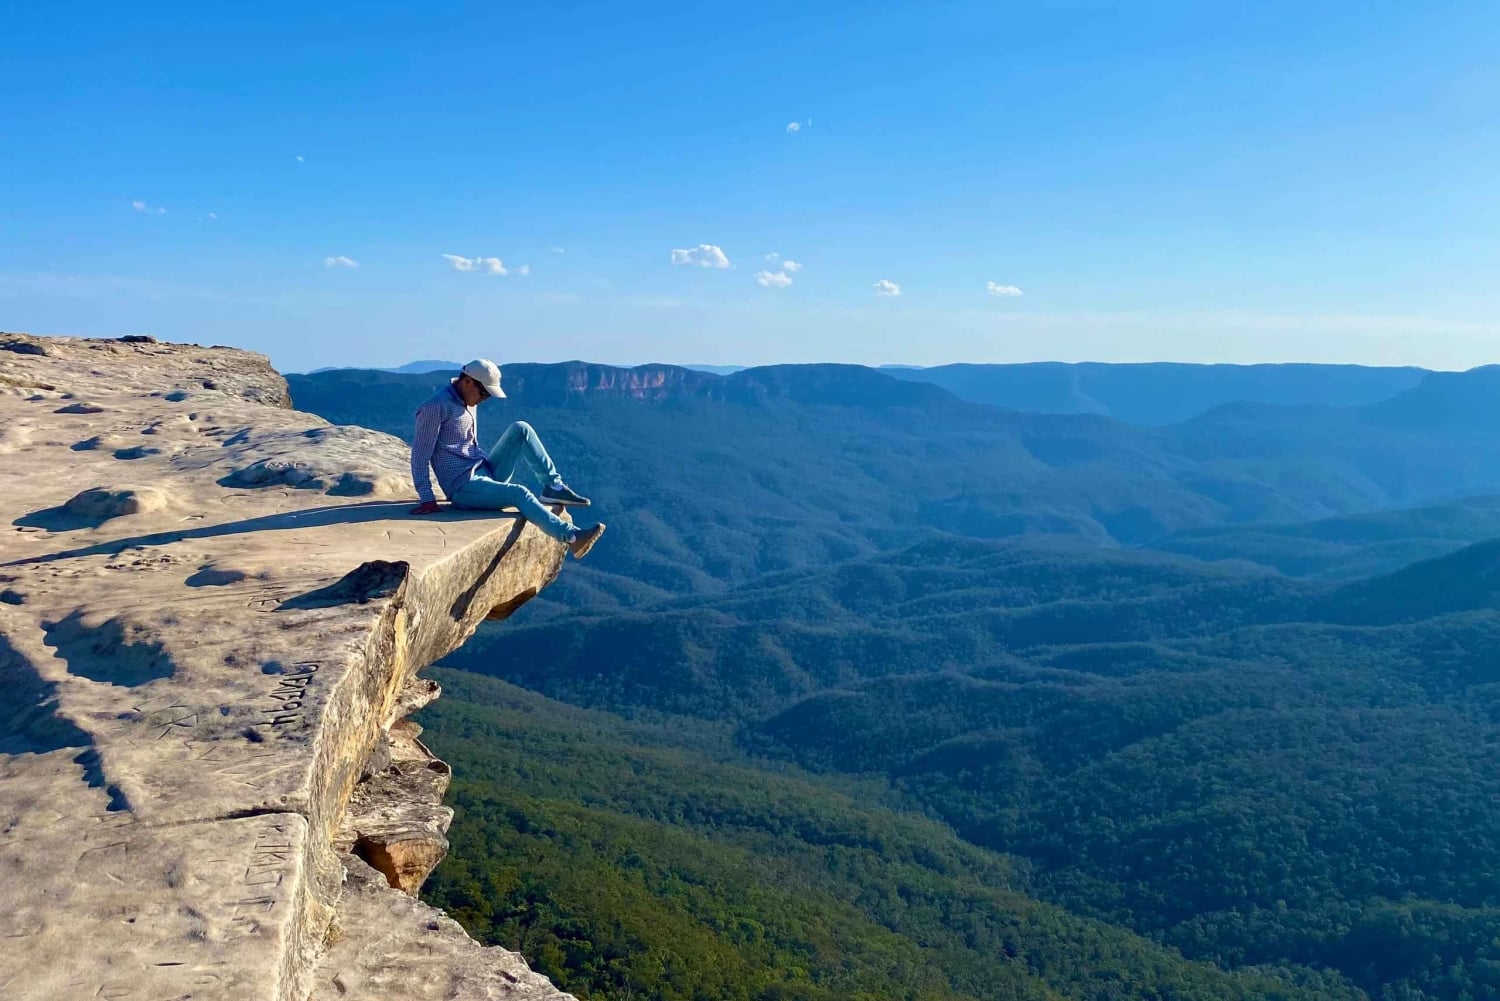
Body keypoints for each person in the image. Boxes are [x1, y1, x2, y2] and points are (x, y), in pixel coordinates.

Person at [408, 358, 605, 559]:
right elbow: (419, 455)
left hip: (484, 470)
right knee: (519, 493)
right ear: (467, 381)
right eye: (484, 393)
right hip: (463, 487)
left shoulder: (467, 398)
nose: (484, 399)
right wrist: (427, 498)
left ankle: (553, 487)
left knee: (521, 429)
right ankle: (571, 536)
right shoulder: (435, 407)